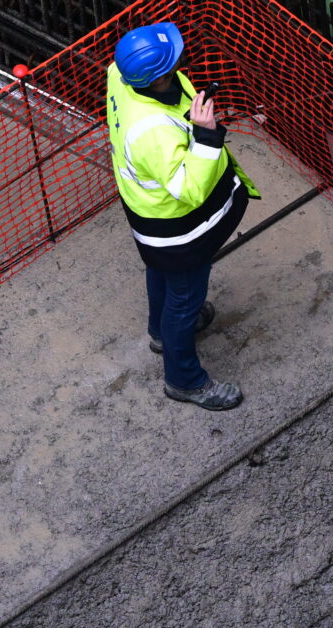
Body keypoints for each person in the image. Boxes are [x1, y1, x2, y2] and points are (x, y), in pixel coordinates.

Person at [105, 20, 258, 409]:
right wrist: (206, 135)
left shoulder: (119, 75)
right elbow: (188, 189)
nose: (183, 55)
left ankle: (159, 332)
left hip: (151, 222)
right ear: (159, 77)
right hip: (178, 231)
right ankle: (184, 381)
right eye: (174, 57)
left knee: (163, 274)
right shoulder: (153, 131)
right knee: (185, 297)